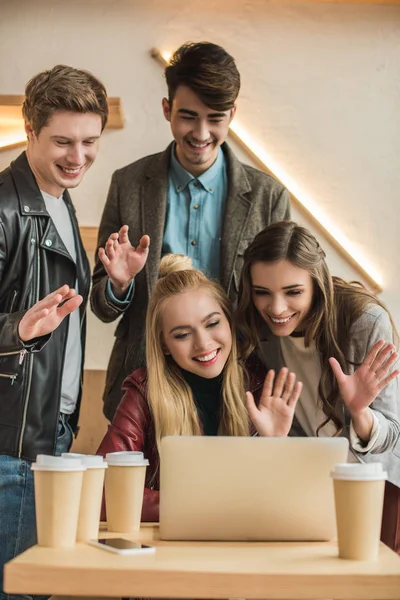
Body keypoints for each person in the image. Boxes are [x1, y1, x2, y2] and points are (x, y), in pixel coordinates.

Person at [90, 41, 291, 422]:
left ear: (232, 114)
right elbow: (101, 306)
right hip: (143, 387)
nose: (201, 133)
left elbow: (279, 307)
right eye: (188, 116)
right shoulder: (128, 183)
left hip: (241, 388)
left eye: (215, 118)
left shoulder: (269, 196)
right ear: (167, 110)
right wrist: (119, 285)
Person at [0, 64, 108, 599]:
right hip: (11, 442)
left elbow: (67, 314)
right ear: (30, 131)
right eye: (63, 141)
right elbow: (26, 325)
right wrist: (18, 328)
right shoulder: (3, 209)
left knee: (36, 588)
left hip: (52, 430)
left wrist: (118, 284)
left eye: (90, 142)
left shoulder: (59, 201)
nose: (78, 157)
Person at [97, 254, 302, 521]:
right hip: (171, 549)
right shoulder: (143, 393)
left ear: (229, 322)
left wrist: (275, 446)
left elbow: (286, 505)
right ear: (163, 345)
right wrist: (194, 504)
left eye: (213, 323)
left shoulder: (260, 384)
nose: (203, 343)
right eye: (182, 334)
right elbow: (102, 489)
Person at [236, 221, 400, 553]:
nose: (277, 309)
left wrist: (359, 411)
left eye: (293, 292)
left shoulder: (364, 322)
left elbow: (392, 434)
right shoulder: (257, 328)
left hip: (374, 486)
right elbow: (290, 429)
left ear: (317, 283)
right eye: (262, 293)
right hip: (312, 485)